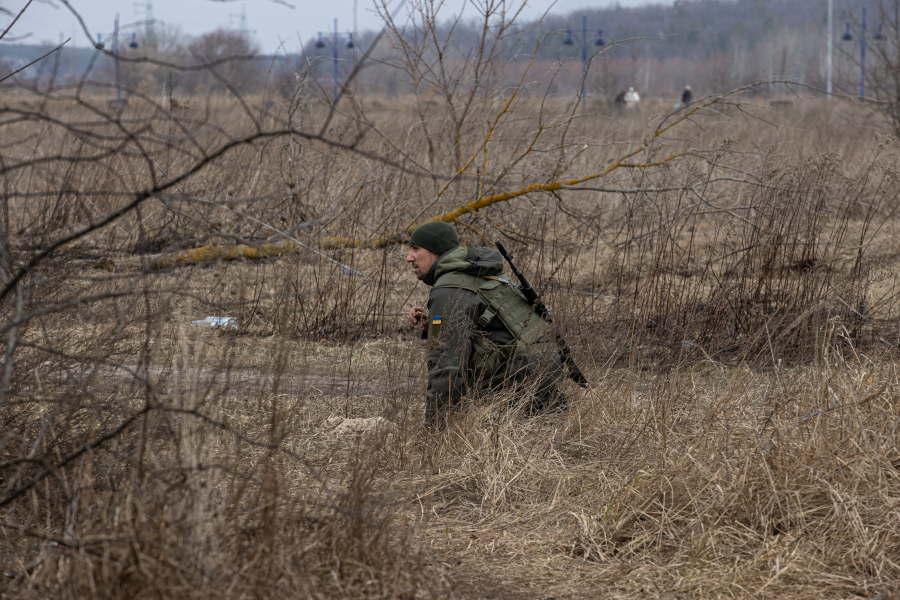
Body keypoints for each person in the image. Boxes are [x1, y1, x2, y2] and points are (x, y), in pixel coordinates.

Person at [406, 222, 565, 427]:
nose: (409, 257)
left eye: (416, 249)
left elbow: (445, 365)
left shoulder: (448, 290)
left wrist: (435, 429)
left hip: (518, 380)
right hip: (546, 371)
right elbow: (495, 328)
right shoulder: (479, 273)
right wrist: (434, 325)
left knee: (463, 414)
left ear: (436, 252)